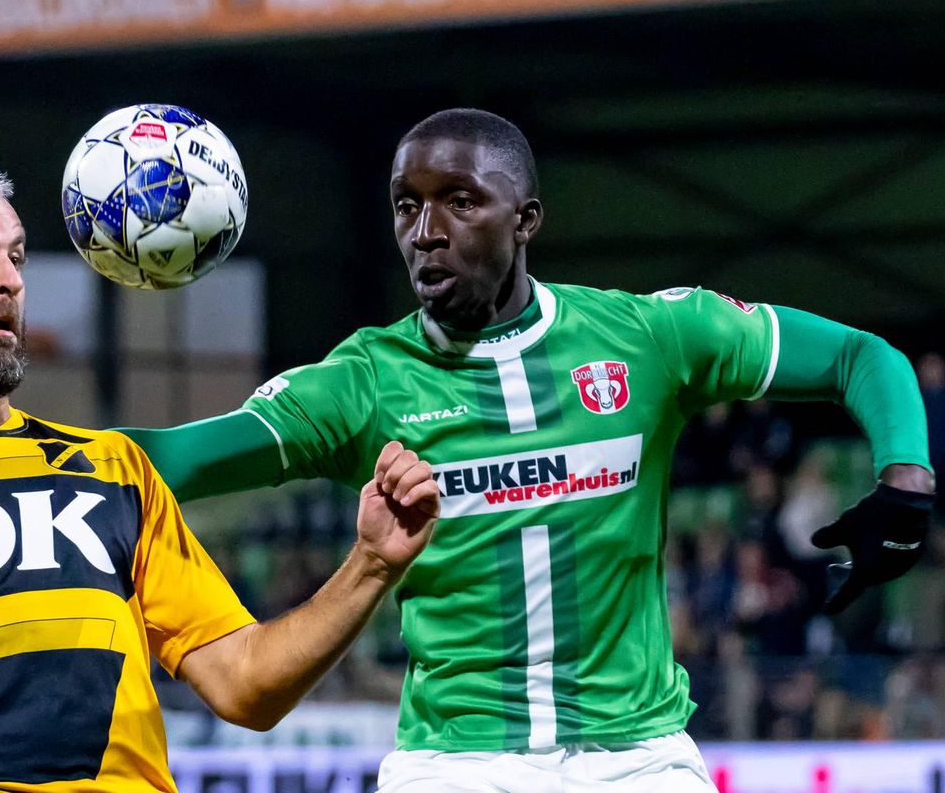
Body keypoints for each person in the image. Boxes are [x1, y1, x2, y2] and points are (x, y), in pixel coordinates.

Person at [118, 109, 936, 790]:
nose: (427, 233)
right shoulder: (365, 381)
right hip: (457, 764)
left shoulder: (650, 338)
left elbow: (861, 357)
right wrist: (2, 432)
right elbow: (172, 459)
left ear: (526, 219)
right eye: (407, 207)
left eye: (459, 202)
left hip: (639, 758)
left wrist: (904, 481)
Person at [0, 164, 440, 793]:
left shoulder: (112, 466)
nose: (10, 279)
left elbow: (246, 687)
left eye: (15, 256)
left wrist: (371, 565)